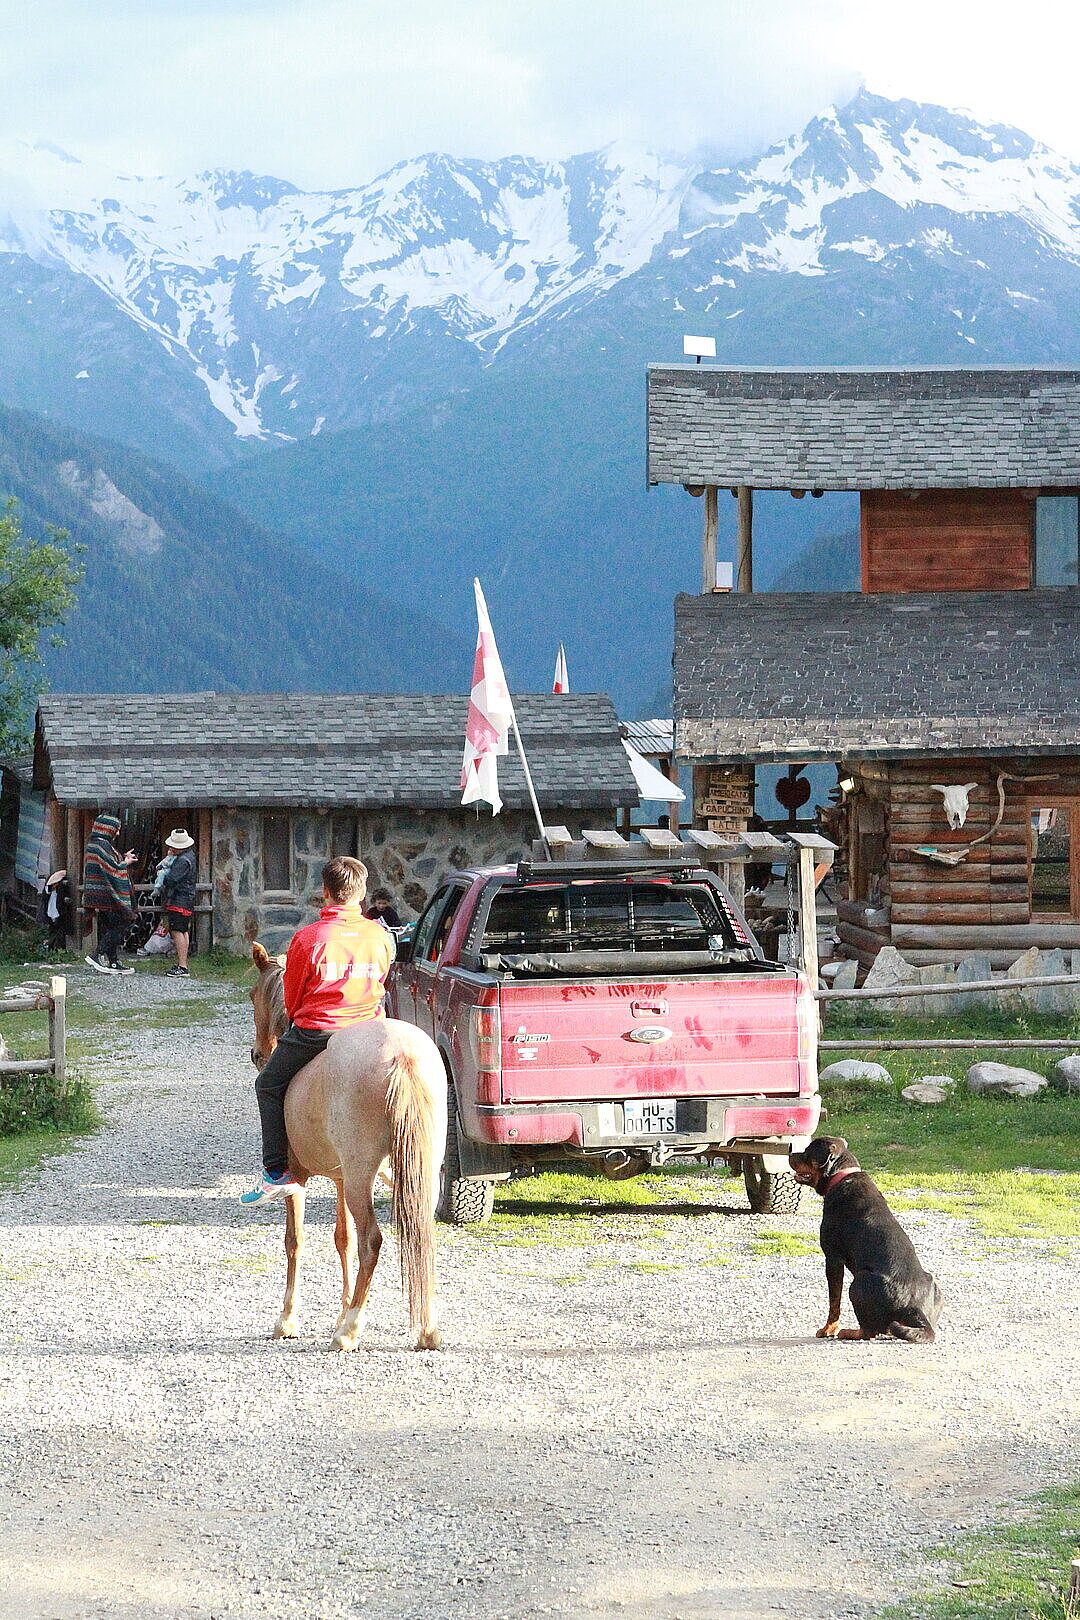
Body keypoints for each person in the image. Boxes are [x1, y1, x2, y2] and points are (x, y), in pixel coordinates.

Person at [240, 856, 394, 1207]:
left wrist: (297, 1018)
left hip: (319, 1031)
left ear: (325, 891)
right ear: (362, 892)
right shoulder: (379, 936)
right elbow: (382, 981)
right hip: (368, 1029)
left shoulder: (308, 938)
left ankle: (276, 1172)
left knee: (268, 1084)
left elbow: (292, 996)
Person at [83, 813, 137, 975]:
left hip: (101, 895)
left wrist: (123, 857)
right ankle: (97, 954)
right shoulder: (100, 846)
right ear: (107, 829)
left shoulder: (98, 845)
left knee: (109, 926)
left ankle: (113, 961)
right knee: (123, 922)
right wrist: (125, 863)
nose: (118, 833)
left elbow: (111, 863)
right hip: (108, 895)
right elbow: (112, 869)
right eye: (116, 829)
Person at [159, 829, 196, 978]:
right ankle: (183, 963)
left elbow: (171, 879)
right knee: (183, 931)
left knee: (177, 931)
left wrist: (163, 873)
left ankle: (182, 966)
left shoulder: (182, 861)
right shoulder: (190, 856)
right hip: (186, 899)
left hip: (179, 899)